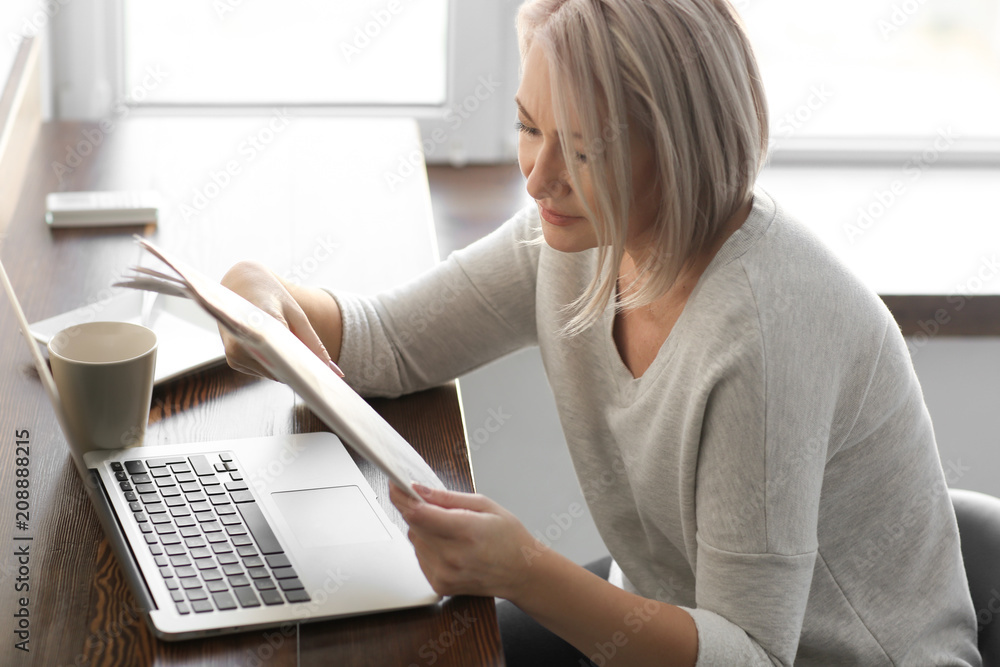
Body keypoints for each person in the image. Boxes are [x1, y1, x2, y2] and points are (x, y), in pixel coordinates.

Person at [219, 0, 981, 664]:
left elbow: (749, 655)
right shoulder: (577, 234)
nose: (539, 176)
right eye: (527, 126)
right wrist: (262, 295)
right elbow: (385, 340)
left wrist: (522, 569)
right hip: (668, 624)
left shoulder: (766, 332)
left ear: (682, 151)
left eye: (584, 151)